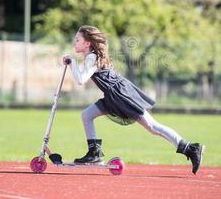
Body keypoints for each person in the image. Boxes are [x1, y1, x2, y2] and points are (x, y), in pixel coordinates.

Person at [62, 25, 205, 174]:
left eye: (77, 39)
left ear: (87, 43)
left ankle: (191, 149)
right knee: (87, 115)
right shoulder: (91, 56)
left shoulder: (92, 57)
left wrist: (72, 62)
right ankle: (94, 153)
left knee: (152, 127)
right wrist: (73, 63)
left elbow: (81, 79)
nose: (74, 42)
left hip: (121, 96)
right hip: (113, 96)